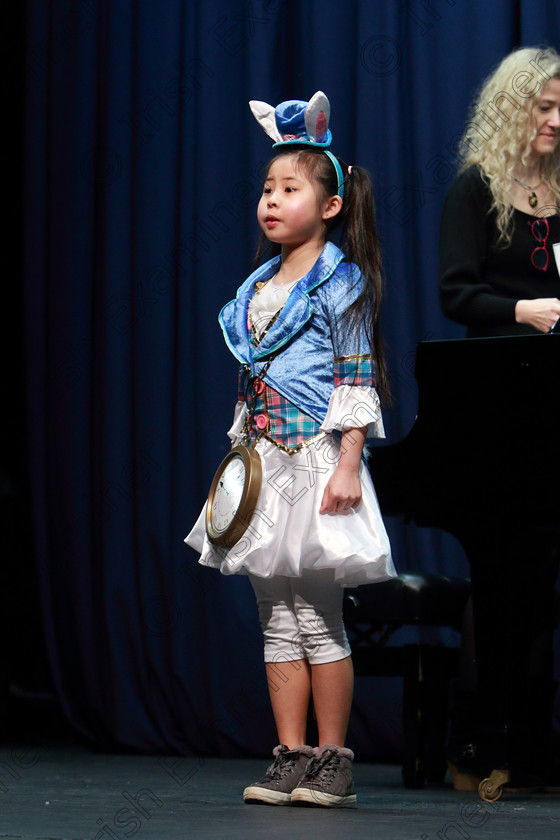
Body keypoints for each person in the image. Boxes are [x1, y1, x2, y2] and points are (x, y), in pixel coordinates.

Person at [186, 91, 395, 808]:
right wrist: (239, 466)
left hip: (318, 456)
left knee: (318, 615)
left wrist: (347, 463)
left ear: (330, 204)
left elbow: (357, 375)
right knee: (274, 614)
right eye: (267, 189)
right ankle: (290, 754)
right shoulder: (255, 288)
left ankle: (333, 758)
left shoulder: (340, 282)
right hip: (263, 463)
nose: (272, 201)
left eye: (290, 188)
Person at [439, 46, 560, 792]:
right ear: (512, 108)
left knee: (541, 580)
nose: (553, 120)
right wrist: (524, 309)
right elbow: (456, 294)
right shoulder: (476, 189)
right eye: (542, 106)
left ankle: (534, 743)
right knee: (500, 577)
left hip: (556, 407)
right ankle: (479, 742)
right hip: (496, 407)